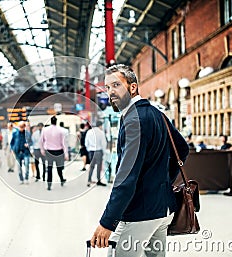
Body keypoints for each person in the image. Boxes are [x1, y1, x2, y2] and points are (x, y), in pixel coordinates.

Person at [90, 64, 189, 257]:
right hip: (163, 209)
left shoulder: (134, 120)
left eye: (116, 85)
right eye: (107, 87)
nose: (111, 92)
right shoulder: (157, 114)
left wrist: (107, 222)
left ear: (132, 87)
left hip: (139, 213)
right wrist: (161, 182)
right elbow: (182, 149)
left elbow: (126, 178)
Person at [39, 116, 68, 191]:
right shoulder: (60, 130)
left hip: (49, 151)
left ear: (50, 121)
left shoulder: (45, 130)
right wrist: (66, 153)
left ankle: (49, 184)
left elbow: (41, 141)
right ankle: (62, 179)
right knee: (59, 168)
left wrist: (42, 149)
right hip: (59, 151)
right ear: (56, 121)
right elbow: (63, 143)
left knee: (49, 168)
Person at [85, 120, 107, 187]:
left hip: (91, 151)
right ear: (100, 125)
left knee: (91, 167)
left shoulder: (89, 132)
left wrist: (89, 149)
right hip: (98, 151)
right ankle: (98, 180)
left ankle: (89, 181)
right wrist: (104, 152)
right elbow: (104, 143)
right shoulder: (101, 132)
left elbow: (86, 143)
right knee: (98, 167)